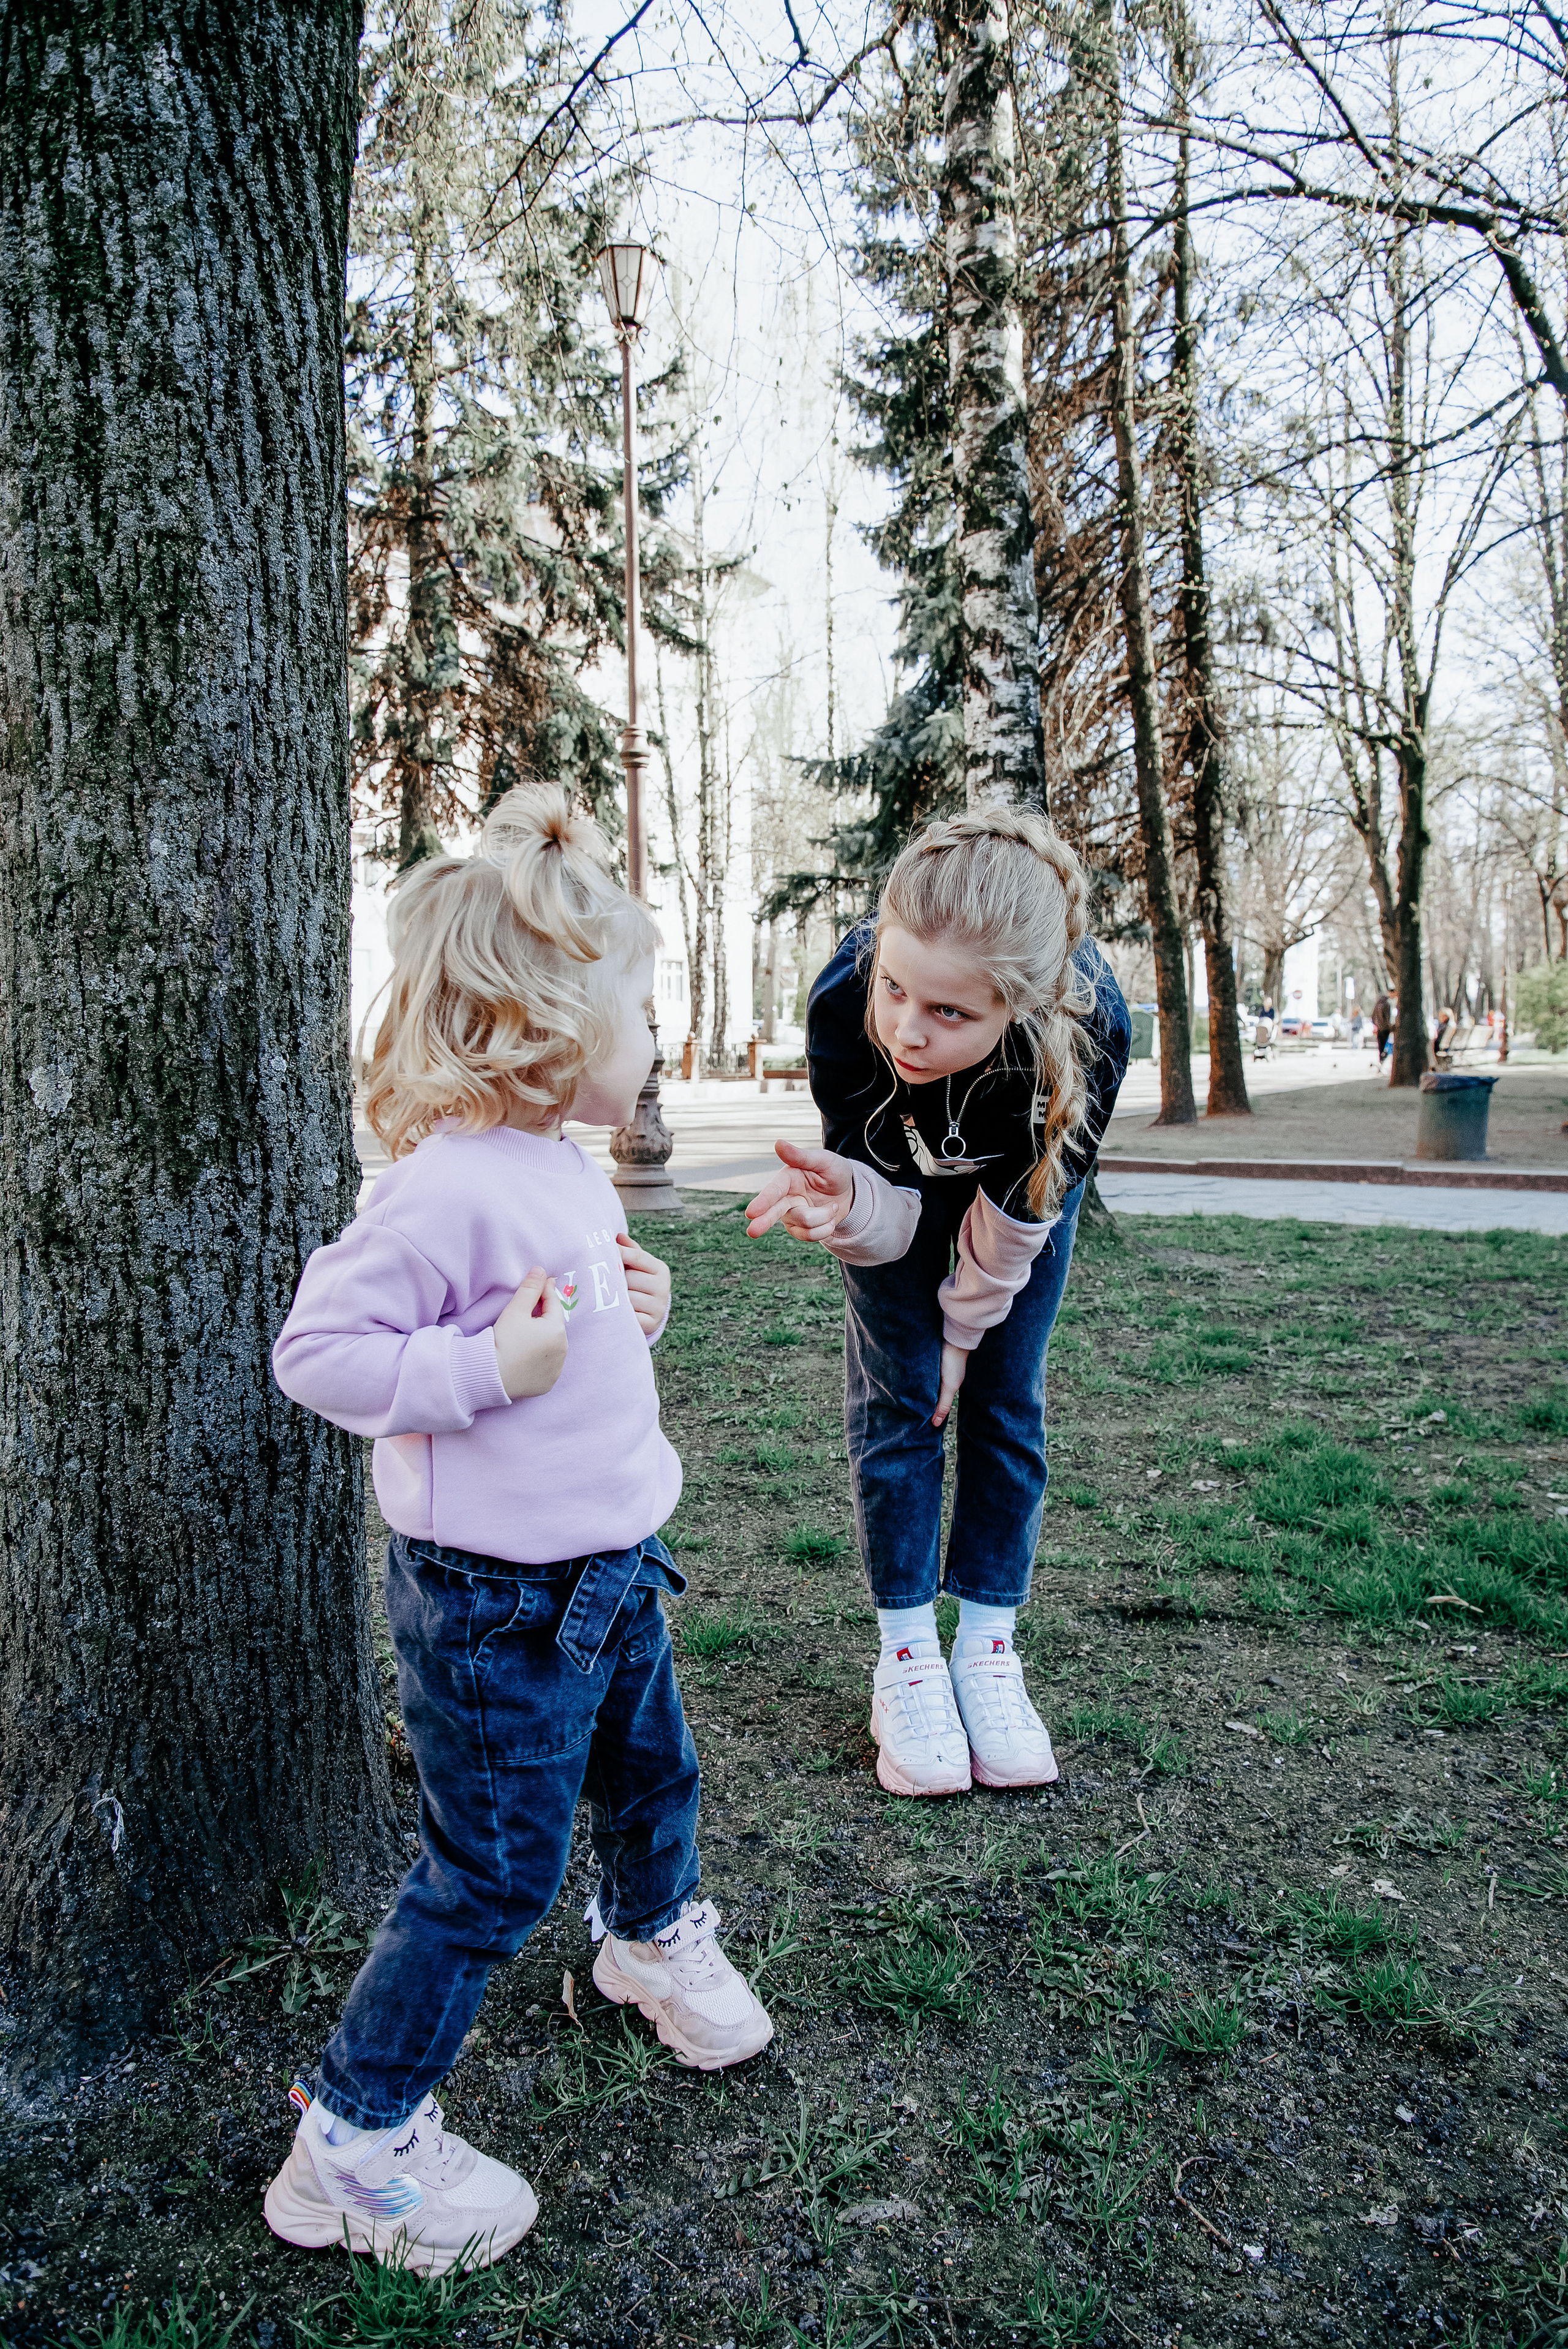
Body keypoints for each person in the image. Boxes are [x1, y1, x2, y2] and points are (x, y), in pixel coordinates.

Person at [263, 786, 771, 2275]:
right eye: (635, 1002)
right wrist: (485, 1369)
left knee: (653, 1766)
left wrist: (636, 1300)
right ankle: (350, 2142)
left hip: (612, 1569)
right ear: (541, 1020)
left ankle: (645, 1937)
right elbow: (319, 1352)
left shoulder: (552, 1158)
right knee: (487, 1866)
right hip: (496, 1604)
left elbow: (571, 1307)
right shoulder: (438, 1191)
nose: (656, 1029)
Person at [745, 808, 1129, 1799]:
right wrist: (849, 1206)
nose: (906, 1030)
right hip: (893, 1192)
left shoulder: (1090, 1032)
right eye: (897, 989)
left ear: (1025, 1006)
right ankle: (909, 1654)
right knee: (902, 1391)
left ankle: (988, 1648)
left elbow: (1012, 1218)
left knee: (1004, 1392)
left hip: (1021, 1195)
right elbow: (888, 1198)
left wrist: (968, 1330)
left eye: (950, 1014)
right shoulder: (846, 1003)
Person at [1373, 990, 1395, 1063]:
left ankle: (1381, 1062)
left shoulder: (1380, 1002)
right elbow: (1388, 1018)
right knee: (1386, 1047)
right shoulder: (1388, 1003)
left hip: (1381, 1028)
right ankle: (1383, 1061)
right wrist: (1389, 1026)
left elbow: (1374, 1016)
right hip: (1385, 1029)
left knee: (1381, 1047)